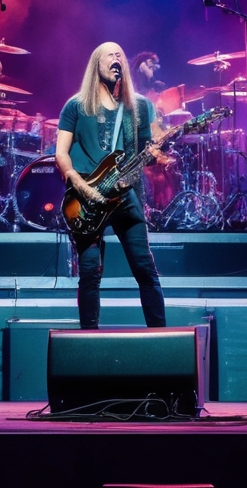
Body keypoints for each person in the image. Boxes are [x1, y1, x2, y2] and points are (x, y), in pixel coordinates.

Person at [54, 41, 166, 330]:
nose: (116, 58)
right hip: (87, 199)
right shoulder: (76, 105)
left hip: (126, 198)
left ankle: (162, 338)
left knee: (145, 268)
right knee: (90, 272)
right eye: (109, 54)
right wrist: (79, 183)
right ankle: (88, 342)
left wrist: (155, 156)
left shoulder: (139, 106)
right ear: (96, 63)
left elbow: (146, 151)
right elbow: (61, 153)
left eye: (120, 55)